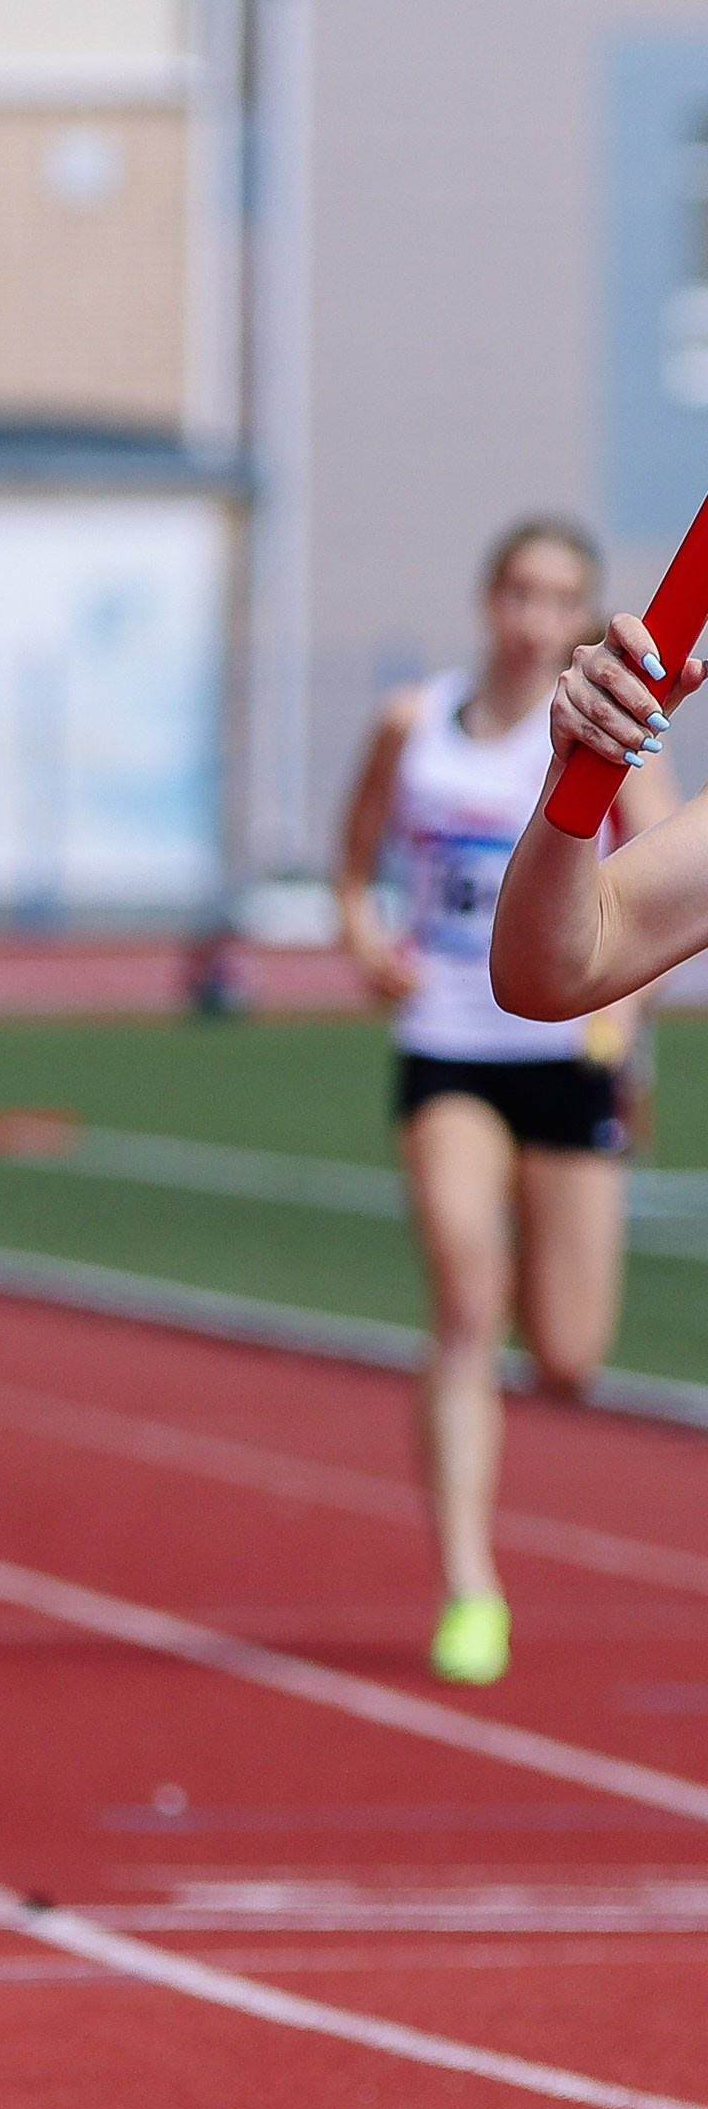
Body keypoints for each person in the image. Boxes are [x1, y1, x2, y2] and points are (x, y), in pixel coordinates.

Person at [335, 520, 679, 1689]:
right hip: (450, 1038)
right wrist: (359, 927)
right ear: (489, 600)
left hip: (571, 1054)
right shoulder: (415, 725)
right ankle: (469, 1582)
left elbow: (654, 894)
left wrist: (631, 1045)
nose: (534, 617)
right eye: (519, 592)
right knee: (467, 1301)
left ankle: (536, 1282)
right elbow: (357, 849)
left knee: (571, 1352)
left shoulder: (620, 730)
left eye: (560, 596)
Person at [492, 605, 708, 1016]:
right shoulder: (421, 715)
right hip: (449, 1030)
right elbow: (543, 980)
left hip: (577, 1053)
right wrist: (579, 764)